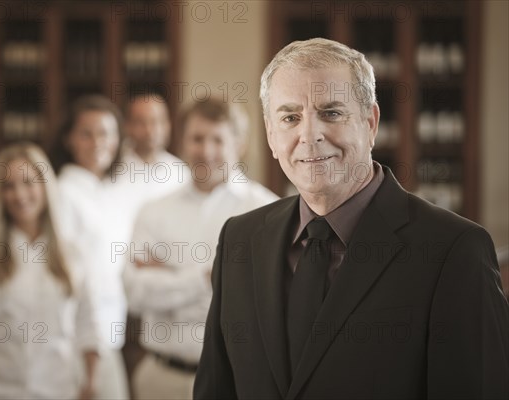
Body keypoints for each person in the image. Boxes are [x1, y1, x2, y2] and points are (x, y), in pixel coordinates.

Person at [194, 38, 509, 400]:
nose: (309, 135)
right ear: (270, 134)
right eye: (290, 117)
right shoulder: (240, 240)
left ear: (370, 122)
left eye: (331, 112)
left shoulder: (454, 252)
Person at [123, 99, 278, 400]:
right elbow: (136, 294)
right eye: (196, 138)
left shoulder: (268, 212)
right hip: (160, 380)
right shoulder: (153, 211)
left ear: (239, 144)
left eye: (217, 139)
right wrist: (209, 278)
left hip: (237, 383)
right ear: (182, 141)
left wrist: (170, 276)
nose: (205, 151)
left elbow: (260, 305)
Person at [0, 142, 99, 400]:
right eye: (8, 186)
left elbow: (88, 321)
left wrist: (91, 381)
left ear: (45, 187)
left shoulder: (73, 254)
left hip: (58, 389)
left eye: (28, 183)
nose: (19, 194)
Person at [53, 95, 130, 400]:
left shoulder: (108, 194)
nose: (97, 142)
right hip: (76, 341)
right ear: (68, 139)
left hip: (109, 337)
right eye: (87, 133)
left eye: (106, 133)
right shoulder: (63, 193)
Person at [116, 93, 187, 197]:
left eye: (158, 121)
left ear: (168, 124)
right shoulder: (114, 168)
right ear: (127, 126)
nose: (150, 130)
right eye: (141, 122)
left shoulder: (179, 171)